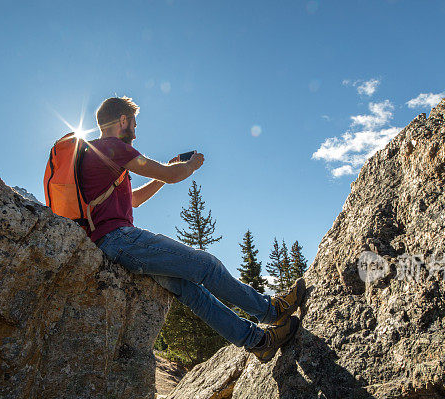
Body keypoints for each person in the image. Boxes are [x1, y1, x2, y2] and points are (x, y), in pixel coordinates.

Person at [82, 96, 304, 362]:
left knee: (190, 290)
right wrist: (189, 166)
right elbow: (173, 175)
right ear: (122, 120)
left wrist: (167, 172)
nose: (136, 129)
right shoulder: (113, 147)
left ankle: (258, 342)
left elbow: (135, 200)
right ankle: (271, 310)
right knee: (206, 265)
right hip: (120, 239)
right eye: (134, 123)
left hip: (110, 244)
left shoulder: (96, 155)